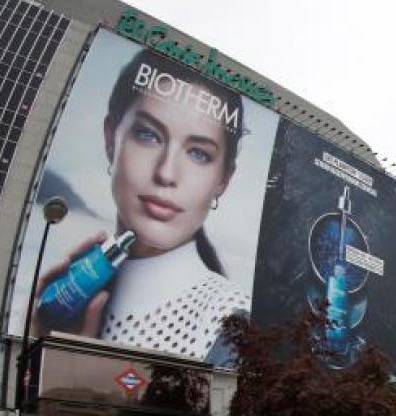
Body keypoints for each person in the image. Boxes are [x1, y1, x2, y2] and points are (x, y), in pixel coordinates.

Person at [33, 48, 250, 365]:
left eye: (199, 153)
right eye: (148, 135)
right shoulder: (73, 291)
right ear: (111, 137)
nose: (166, 173)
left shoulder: (228, 316)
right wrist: (40, 352)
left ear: (223, 180)